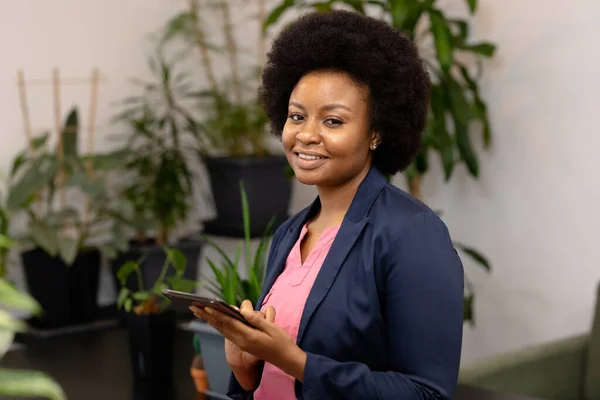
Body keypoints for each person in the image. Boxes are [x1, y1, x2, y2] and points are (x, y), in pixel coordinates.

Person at [191, 9, 464, 400]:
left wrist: (296, 361)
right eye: (296, 116)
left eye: (333, 121)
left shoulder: (412, 234)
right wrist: (243, 363)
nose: (306, 135)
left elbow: (427, 394)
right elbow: (267, 385)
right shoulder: (290, 233)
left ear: (375, 133)